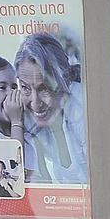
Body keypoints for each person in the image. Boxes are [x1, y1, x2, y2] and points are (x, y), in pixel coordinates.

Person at [15, 33, 88, 185]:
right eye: (25, 88)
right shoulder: (21, 114)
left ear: (64, 80)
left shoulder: (83, 110)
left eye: (44, 89)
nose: (35, 103)